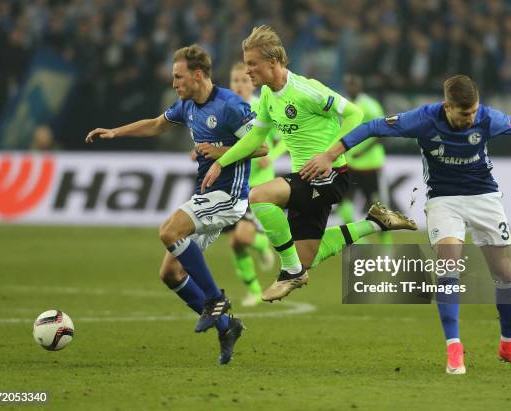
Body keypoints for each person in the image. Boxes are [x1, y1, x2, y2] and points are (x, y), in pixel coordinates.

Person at [300, 74, 511, 374]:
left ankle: (508, 345)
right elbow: (371, 127)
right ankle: (454, 348)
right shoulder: (423, 119)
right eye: (464, 113)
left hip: (485, 197)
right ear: (447, 106)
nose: (471, 119)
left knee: (505, 275)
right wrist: (330, 154)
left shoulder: (486, 118)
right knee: (448, 269)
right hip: (443, 199)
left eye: (474, 111)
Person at [202, 25, 416, 302]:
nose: (248, 71)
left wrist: (329, 154)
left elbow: (354, 113)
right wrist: (222, 161)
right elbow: (257, 136)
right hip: (304, 176)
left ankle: (290, 272)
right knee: (307, 257)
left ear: (273, 61)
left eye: (253, 64)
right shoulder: (268, 94)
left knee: (259, 196)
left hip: (330, 175)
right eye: (246, 64)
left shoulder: (306, 90)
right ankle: (376, 223)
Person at [86, 45, 269, 365]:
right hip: (206, 195)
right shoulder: (187, 105)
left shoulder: (231, 106)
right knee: (170, 273)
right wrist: (115, 132)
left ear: (198, 75)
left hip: (230, 198)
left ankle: (215, 299)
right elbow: (157, 124)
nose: (174, 83)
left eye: (178, 76)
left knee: (169, 230)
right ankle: (228, 327)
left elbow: (262, 146)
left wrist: (221, 151)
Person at [225, 62, 287, 306]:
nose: (239, 85)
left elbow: (282, 140)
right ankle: (252, 289)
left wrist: (270, 155)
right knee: (236, 242)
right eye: (235, 81)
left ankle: (262, 245)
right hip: (233, 185)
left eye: (244, 80)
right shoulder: (226, 110)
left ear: (252, 82)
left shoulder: (262, 106)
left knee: (242, 237)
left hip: (259, 186)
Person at [337, 73, 387, 236]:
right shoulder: (343, 105)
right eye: (348, 84)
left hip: (370, 164)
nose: (351, 87)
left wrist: (361, 152)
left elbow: (382, 134)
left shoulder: (371, 106)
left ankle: (385, 242)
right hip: (350, 163)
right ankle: (355, 238)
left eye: (354, 84)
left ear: (360, 86)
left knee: (376, 205)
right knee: (344, 200)